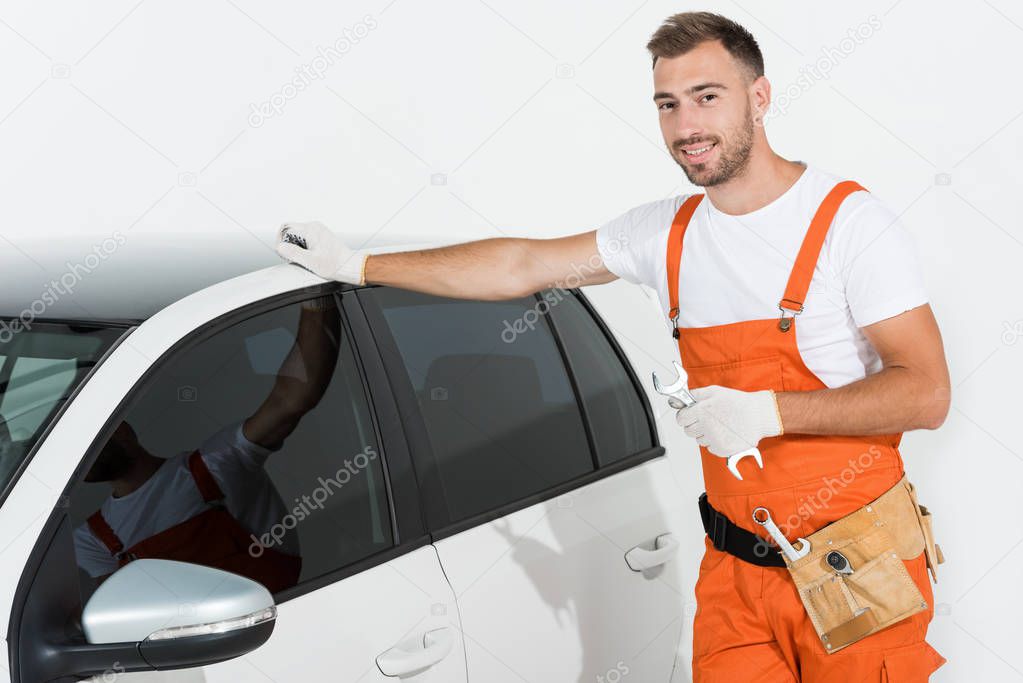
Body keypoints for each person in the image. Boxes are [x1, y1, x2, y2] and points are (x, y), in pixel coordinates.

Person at [275, 11, 949, 681]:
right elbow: (520, 265)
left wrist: (769, 412)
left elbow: (924, 391)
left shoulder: (849, 225)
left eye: (707, 97)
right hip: (736, 576)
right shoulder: (665, 234)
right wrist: (358, 266)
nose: (686, 127)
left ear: (760, 97)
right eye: (667, 104)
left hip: (855, 567)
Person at [73, 296, 341, 594]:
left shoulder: (216, 465)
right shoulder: (93, 540)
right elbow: (118, 611)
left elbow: (292, 401)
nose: (75, 453)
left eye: (83, 434)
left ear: (120, 429)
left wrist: (317, 300)